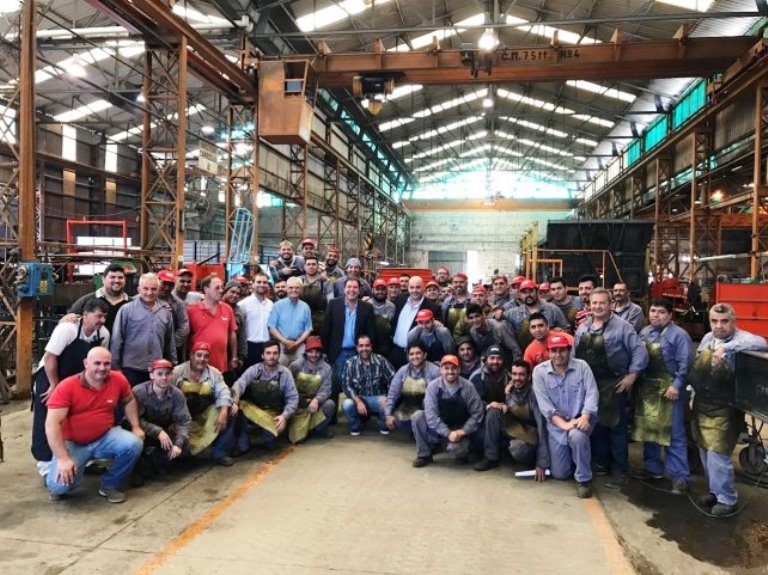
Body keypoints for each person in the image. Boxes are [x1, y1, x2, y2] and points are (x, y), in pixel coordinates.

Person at [689, 303, 767, 516]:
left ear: (733, 321)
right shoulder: (707, 339)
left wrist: (728, 347)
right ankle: (715, 492)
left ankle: (727, 499)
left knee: (718, 455)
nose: (719, 326)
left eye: (724, 321)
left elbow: (761, 343)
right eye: (714, 321)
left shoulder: (742, 339)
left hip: (725, 409)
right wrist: (692, 392)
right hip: (702, 405)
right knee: (704, 451)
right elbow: (698, 367)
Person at [44, 346, 144, 503]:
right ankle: (58, 472)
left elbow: (129, 399)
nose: (102, 368)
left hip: (104, 436)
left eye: (106, 364)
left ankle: (110, 485)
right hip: (74, 443)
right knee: (58, 488)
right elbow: (51, 424)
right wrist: (63, 458)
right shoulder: (67, 387)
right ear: (86, 363)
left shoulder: (118, 379)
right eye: (97, 363)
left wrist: (136, 426)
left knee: (134, 443)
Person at [574, 287, 648, 486]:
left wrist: (631, 377)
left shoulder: (623, 327)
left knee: (616, 427)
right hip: (589, 385)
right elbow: (574, 355)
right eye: (594, 303)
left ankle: (620, 470)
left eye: (602, 303)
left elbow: (640, 353)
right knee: (595, 425)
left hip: (613, 384)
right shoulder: (583, 327)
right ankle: (601, 464)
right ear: (589, 305)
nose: (598, 307)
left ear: (611, 305)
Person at [32, 299, 110, 471]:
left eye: (105, 317)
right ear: (86, 314)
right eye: (98, 316)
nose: (102, 320)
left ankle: (84, 460)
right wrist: (54, 386)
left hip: (76, 380)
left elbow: (98, 362)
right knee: (47, 417)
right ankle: (45, 465)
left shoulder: (103, 334)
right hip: (50, 376)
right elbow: (50, 358)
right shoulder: (68, 329)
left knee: (78, 418)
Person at [633, 298, 693, 495]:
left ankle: (680, 477)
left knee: (673, 434)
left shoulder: (679, 335)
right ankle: (653, 469)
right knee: (648, 431)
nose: (656, 315)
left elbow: (686, 364)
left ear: (669, 315)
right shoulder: (644, 332)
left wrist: (677, 385)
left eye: (661, 312)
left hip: (670, 390)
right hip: (647, 390)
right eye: (653, 311)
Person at [532, 335, 599, 498]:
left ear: (569, 351)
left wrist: (585, 416)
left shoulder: (582, 367)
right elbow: (545, 406)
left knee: (577, 436)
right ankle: (578, 458)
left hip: (580, 420)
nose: (558, 355)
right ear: (548, 352)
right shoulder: (539, 372)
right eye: (554, 351)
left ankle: (583, 479)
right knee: (560, 474)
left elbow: (592, 393)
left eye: (562, 350)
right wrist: (564, 425)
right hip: (557, 426)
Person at [475, 360, 549, 478]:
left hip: (530, 435)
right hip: (514, 429)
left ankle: (531, 459)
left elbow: (542, 426)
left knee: (518, 450)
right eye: (514, 374)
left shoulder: (535, 394)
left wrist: (542, 461)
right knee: (493, 412)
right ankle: (491, 457)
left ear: (529, 376)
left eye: (521, 374)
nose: (517, 378)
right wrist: (502, 406)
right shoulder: (510, 389)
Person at [411, 355, 484, 467]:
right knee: (417, 416)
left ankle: (463, 450)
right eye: (446, 368)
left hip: (460, 429)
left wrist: (462, 432)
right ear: (441, 370)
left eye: (454, 368)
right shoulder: (432, 386)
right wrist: (447, 433)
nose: (450, 371)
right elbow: (431, 415)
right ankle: (424, 455)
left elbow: (477, 413)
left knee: (457, 450)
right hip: (440, 427)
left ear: (459, 369)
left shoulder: (468, 386)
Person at [170, 341, 234, 466]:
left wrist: (224, 411)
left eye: (206, 356)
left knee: (230, 411)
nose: (202, 359)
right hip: (181, 417)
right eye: (199, 355)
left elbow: (224, 392)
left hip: (203, 414)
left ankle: (220, 453)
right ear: (191, 356)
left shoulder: (214, 373)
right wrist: (170, 420)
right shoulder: (176, 372)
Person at [320, 277, 377, 413]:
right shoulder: (333, 304)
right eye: (349, 287)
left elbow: (371, 332)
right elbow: (325, 330)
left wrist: (368, 352)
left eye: (355, 287)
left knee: (357, 385)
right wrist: (324, 352)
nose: (352, 290)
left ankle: (356, 415)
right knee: (334, 385)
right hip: (337, 352)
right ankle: (332, 416)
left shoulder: (367, 308)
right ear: (344, 289)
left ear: (359, 290)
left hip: (357, 353)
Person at [231, 339, 299, 450]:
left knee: (270, 439)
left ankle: (269, 440)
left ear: (279, 355)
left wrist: (284, 416)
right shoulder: (254, 370)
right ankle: (243, 445)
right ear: (262, 355)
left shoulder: (285, 373)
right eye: (268, 353)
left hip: (274, 413)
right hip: (254, 410)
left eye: (275, 353)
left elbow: (293, 398)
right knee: (238, 409)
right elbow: (238, 385)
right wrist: (234, 401)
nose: (272, 356)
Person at [111, 273, 176, 387]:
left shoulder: (166, 311)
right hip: (131, 369)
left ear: (158, 290)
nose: (149, 292)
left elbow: (170, 341)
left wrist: (172, 363)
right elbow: (117, 339)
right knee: (131, 397)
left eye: (153, 289)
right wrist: (116, 368)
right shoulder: (126, 310)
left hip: (157, 369)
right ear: (139, 290)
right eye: (145, 288)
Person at [132, 359, 192, 478]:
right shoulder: (138, 392)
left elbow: (184, 421)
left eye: (167, 373)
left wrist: (178, 444)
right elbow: (135, 419)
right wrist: (157, 431)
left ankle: (158, 462)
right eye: (159, 374)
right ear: (152, 375)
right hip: (143, 429)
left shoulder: (177, 395)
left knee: (183, 445)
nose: (164, 377)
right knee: (134, 441)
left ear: (172, 374)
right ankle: (137, 469)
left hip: (165, 430)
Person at [341, 334, 395, 435]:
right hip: (359, 397)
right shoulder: (350, 363)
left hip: (377, 398)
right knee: (347, 404)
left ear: (371, 347)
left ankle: (383, 424)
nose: (364, 349)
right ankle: (356, 425)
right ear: (357, 348)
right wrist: (358, 402)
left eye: (367, 345)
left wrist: (388, 397)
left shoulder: (381, 360)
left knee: (387, 402)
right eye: (361, 346)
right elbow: (346, 385)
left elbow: (394, 380)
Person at [287, 336, 335, 442]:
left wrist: (317, 399)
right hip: (296, 405)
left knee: (329, 404)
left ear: (321, 352)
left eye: (317, 352)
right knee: (298, 440)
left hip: (314, 405)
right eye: (310, 352)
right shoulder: (295, 366)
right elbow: (287, 386)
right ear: (306, 352)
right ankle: (302, 429)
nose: (314, 355)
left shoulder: (326, 368)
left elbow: (326, 389)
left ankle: (319, 429)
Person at [187, 275, 238, 374]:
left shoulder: (227, 309)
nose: (221, 290)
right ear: (206, 289)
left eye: (222, 287)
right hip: (197, 366)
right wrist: (184, 359)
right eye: (217, 288)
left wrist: (234, 357)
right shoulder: (192, 310)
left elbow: (232, 333)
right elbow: (186, 338)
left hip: (220, 366)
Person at [385, 343, 441, 431]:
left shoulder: (435, 371)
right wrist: (388, 414)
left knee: (420, 421)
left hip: (429, 410)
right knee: (394, 420)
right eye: (411, 354)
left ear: (425, 355)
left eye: (418, 353)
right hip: (407, 408)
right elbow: (393, 394)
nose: (415, 356)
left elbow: (441, 397)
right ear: (408, 357)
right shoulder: (403, 370)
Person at [65, 262, 130, 332]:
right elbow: (66, 322)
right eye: (112, 277)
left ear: (125, 280)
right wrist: (68, 318)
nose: (117, 280)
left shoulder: (131, 303)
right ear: (103, 279)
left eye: (120, 277)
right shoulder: (87, 300)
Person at [505, 280, 569, 349]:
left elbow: (566, 329)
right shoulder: (512, 313)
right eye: (524, 292)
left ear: (537, 292)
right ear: (519, 295)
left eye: (531, 291)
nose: (528, 295)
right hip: (523, 351)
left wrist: (559, 332)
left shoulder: (552, 309)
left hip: (549, 350)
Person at [391, 276, 440, 368]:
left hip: (417, 356)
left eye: (418, 287)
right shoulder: (400, 299)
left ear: (424, 288)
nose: (414, 290)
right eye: (412, 287)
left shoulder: (433, 308)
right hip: (396, 351)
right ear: (408, 288)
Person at [267, 276, 312, 366]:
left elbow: (308, 329)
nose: (294, 290)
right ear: (287, 289)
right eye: (291, 287)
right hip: (281, 345)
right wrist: (285, 342)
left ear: (301, 290)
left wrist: (296, 344)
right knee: (280, 371)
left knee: (301, 372)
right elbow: (271, 327)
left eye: (297, 288)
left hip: (299, 345)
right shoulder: (278, 305)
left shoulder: (305, 307)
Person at [238, 272, 274, 369]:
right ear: (253, 284)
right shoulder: (243, 304)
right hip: (249, 347)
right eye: (259, 282)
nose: (262, 284)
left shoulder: (271, 305)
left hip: (267, 346)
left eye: (265, 282)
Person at [157, 270, 190, 362]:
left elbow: (184, 328)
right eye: (164, 284)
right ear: (157, 281)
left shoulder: (179, 304)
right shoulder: (143, 300)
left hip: (169, 354)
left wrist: (170, 344)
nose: (167, 288)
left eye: (170, 285)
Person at [300, 254, 332, 333]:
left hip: (320, 320)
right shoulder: (299, 280)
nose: (311, 266)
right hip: (301, 318)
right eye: (308, 264)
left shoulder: (325, 282)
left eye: (313, 264)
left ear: (318, 266)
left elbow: (331, 302)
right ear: (304, 266)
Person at [222, 280, 247, 377]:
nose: (235, 295)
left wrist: (241, 357)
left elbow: (242, 336)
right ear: (225, 291)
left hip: (232, 356)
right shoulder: (216, 306)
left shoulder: (239, 312)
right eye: (232, 292)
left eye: (238, 293)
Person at [370, 278, 395, 357]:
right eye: (377, 289)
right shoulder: (366, 304)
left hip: (386, 345)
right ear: (372, 290)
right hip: (370, 343)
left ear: (386, 291)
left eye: (382, 289)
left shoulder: (391, 307)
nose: (380, 292)